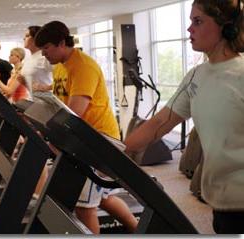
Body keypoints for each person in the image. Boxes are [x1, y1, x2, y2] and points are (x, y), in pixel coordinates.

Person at [124, 0, 244, 234]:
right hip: (221, 199)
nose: (189, 29)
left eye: (197, 22)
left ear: (226, 27)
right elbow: (160, 123)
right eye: (190, 21)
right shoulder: (196, 76)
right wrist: (117, 151)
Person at [34, 20, 138, 234]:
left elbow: (74, 112)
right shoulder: (61, 67)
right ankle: (139, 230)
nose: (43, 54)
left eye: (46, 48)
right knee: (103, 199)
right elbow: (59, 100)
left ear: (62, 43)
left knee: (84, 207)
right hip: (84, 140)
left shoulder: (83, 66)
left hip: (98, 141)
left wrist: (48, 131)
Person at [17, 26, 53, 99]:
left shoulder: (44, 57)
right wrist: (24, 82)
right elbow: (32, 87)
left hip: (47, 100)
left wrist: (47, 87)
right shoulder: (28, 59)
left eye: (27, 36)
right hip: (34, 100)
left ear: (36, 38)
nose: (24, 38)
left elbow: (63, 77)